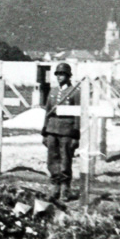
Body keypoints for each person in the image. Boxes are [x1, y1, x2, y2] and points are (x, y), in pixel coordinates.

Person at [42, 62, 81, 203]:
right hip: (52, 129)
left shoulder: (75, 91)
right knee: (52, 160)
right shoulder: (52, 92)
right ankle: (54, 187)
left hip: (67, 131)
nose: (59, 77)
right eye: (57, 74)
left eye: (62, 74)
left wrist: (76, 135)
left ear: (68, 76)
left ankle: (65, 189)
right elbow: (47, 112)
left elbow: (78, 114)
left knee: (65, 160)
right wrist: (44, 132)